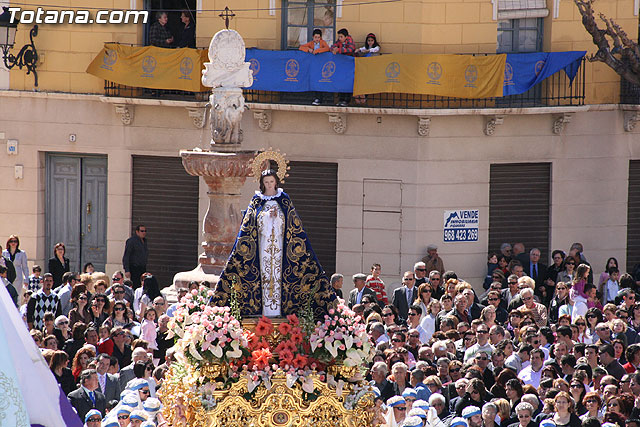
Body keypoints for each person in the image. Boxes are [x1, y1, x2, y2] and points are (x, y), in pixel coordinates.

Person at [213, 169, 337, 319]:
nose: (269, 185)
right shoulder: (257, 200)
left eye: (271, 182)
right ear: (262, 183)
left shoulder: (284, 199)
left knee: (277, 275)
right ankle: (264, 310)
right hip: (262, 246)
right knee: (265, 274)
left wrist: (278, 216)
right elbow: (249, 223)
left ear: (276, 182)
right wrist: (265, 216)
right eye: (266, 182)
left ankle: (278, 310)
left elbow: (293, 223)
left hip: (280, 246)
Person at [330, 28, 355, 107]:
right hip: (341, 65)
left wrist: (339, 50)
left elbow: (351, 49)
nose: (340, 38)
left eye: (341, 37)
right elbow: (333, 46)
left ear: (346, 37)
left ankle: (346, 100)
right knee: (341, 81)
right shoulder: (339, 41)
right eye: (339, 37)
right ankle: (341, 99)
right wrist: (333, 49)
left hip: (349, 65)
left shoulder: (350, 41)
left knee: (348, 82)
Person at [3, 235, 29, 304]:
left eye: (15, 241)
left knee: (17, 296)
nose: (13, 243)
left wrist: (26, 279)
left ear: (17, 243)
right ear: (8, 242)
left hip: (18, 278)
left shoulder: (21, 253)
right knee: (7, 295)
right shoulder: (4, 253)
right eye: (11, 241)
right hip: (7, 277)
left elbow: (25, 267)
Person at [122, 225, 149, 289]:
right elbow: (126, 255)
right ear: (137, 232)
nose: (144, 233)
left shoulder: (145, 241)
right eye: (142, 231)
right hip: (134, 268)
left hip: (142, 268)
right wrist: (127, 270)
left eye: (145, 231)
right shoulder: (131, 241)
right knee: (135, 285)